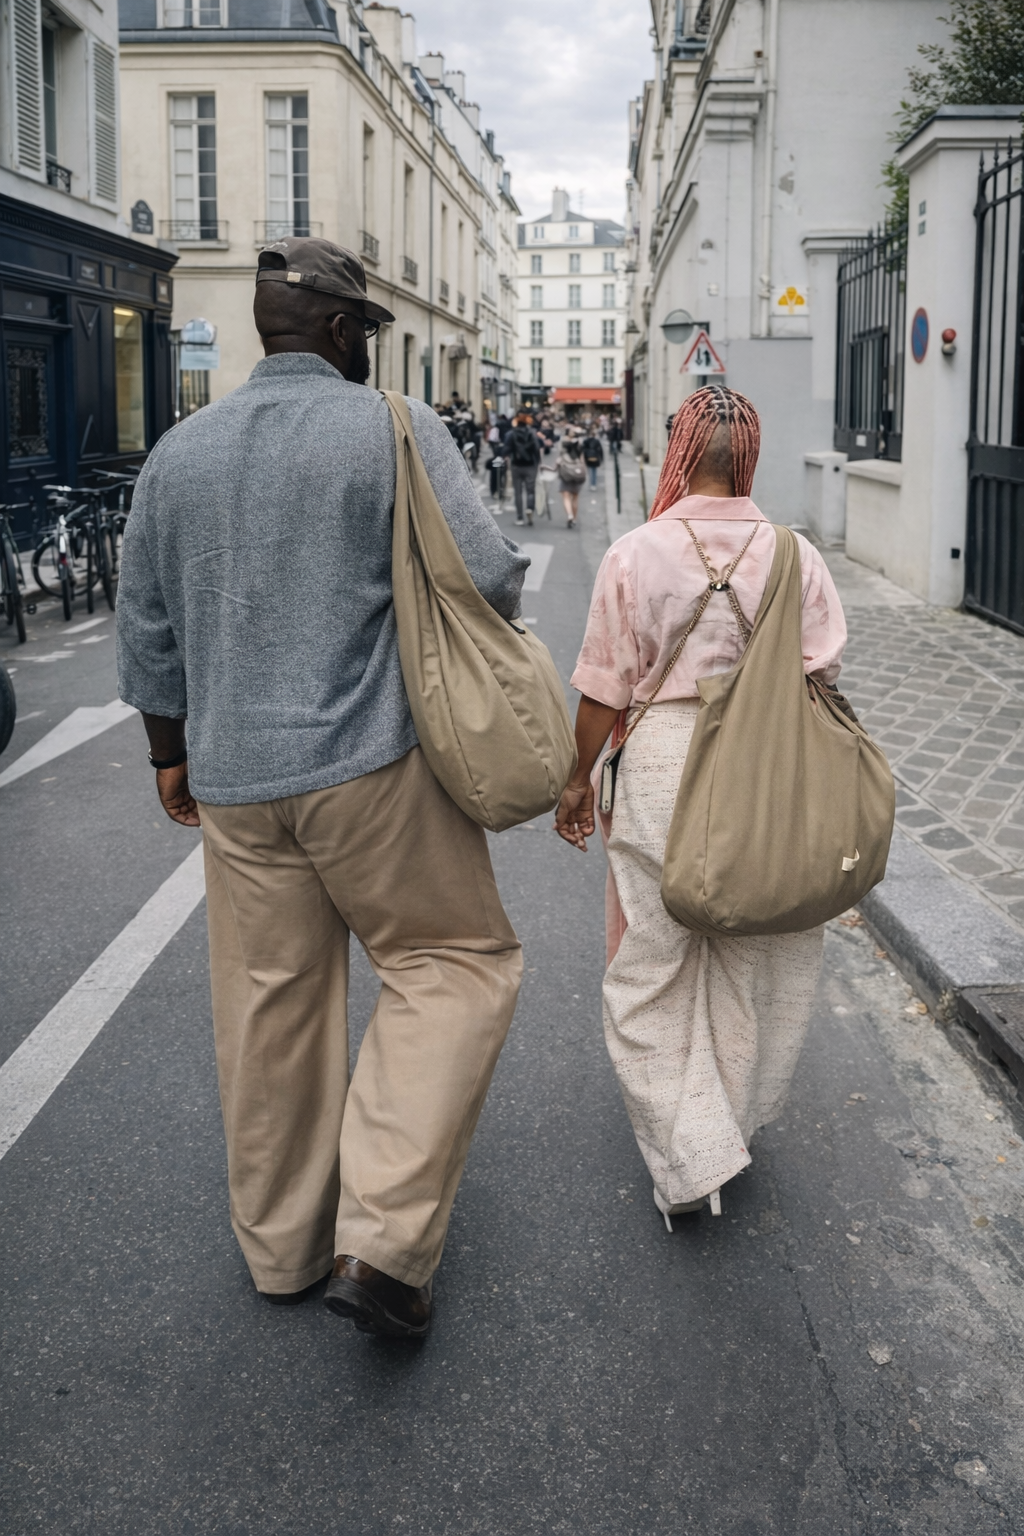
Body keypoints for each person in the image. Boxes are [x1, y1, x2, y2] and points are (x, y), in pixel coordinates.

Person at [116, 237, 528, 1339]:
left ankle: (282, 1252)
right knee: (450, 963)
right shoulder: (394, 428)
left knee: (268, 1008)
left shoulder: (177, 453)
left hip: (236, 780)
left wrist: (171, 753)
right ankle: (382, 1243)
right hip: (372, 764)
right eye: (366, 337)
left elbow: (147, 628)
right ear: (345, 333)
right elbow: (487, 571)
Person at [553, 385, 847, 1228]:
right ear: (748, 457)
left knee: (651, 965)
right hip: (767, 772)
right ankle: (730, 1124)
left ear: (680, 449)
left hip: (659, 767)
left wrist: (577, 783)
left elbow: (603, 688)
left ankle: (690, 1155)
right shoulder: (796, 554)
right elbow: (821, 672)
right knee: (750, 959)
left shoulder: (635, 552)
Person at [508, 413, 542, 527]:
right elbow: (536, 449)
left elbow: (506, 449)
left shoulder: (512, 434)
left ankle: (519, 517)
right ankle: (530, 509)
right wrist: (538, 463)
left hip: (516, 465)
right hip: (530, 465)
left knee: (517, 492)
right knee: (530, 490)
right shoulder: (532, 434)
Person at [555, 432, 586, 528]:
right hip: (577, 473)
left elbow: (559, 460)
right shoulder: (579, 447)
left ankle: (569, 515)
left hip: (566, 473)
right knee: (575, 497)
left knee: (566, 496)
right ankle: (574, 519)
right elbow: (582, 460)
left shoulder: (564, 446)